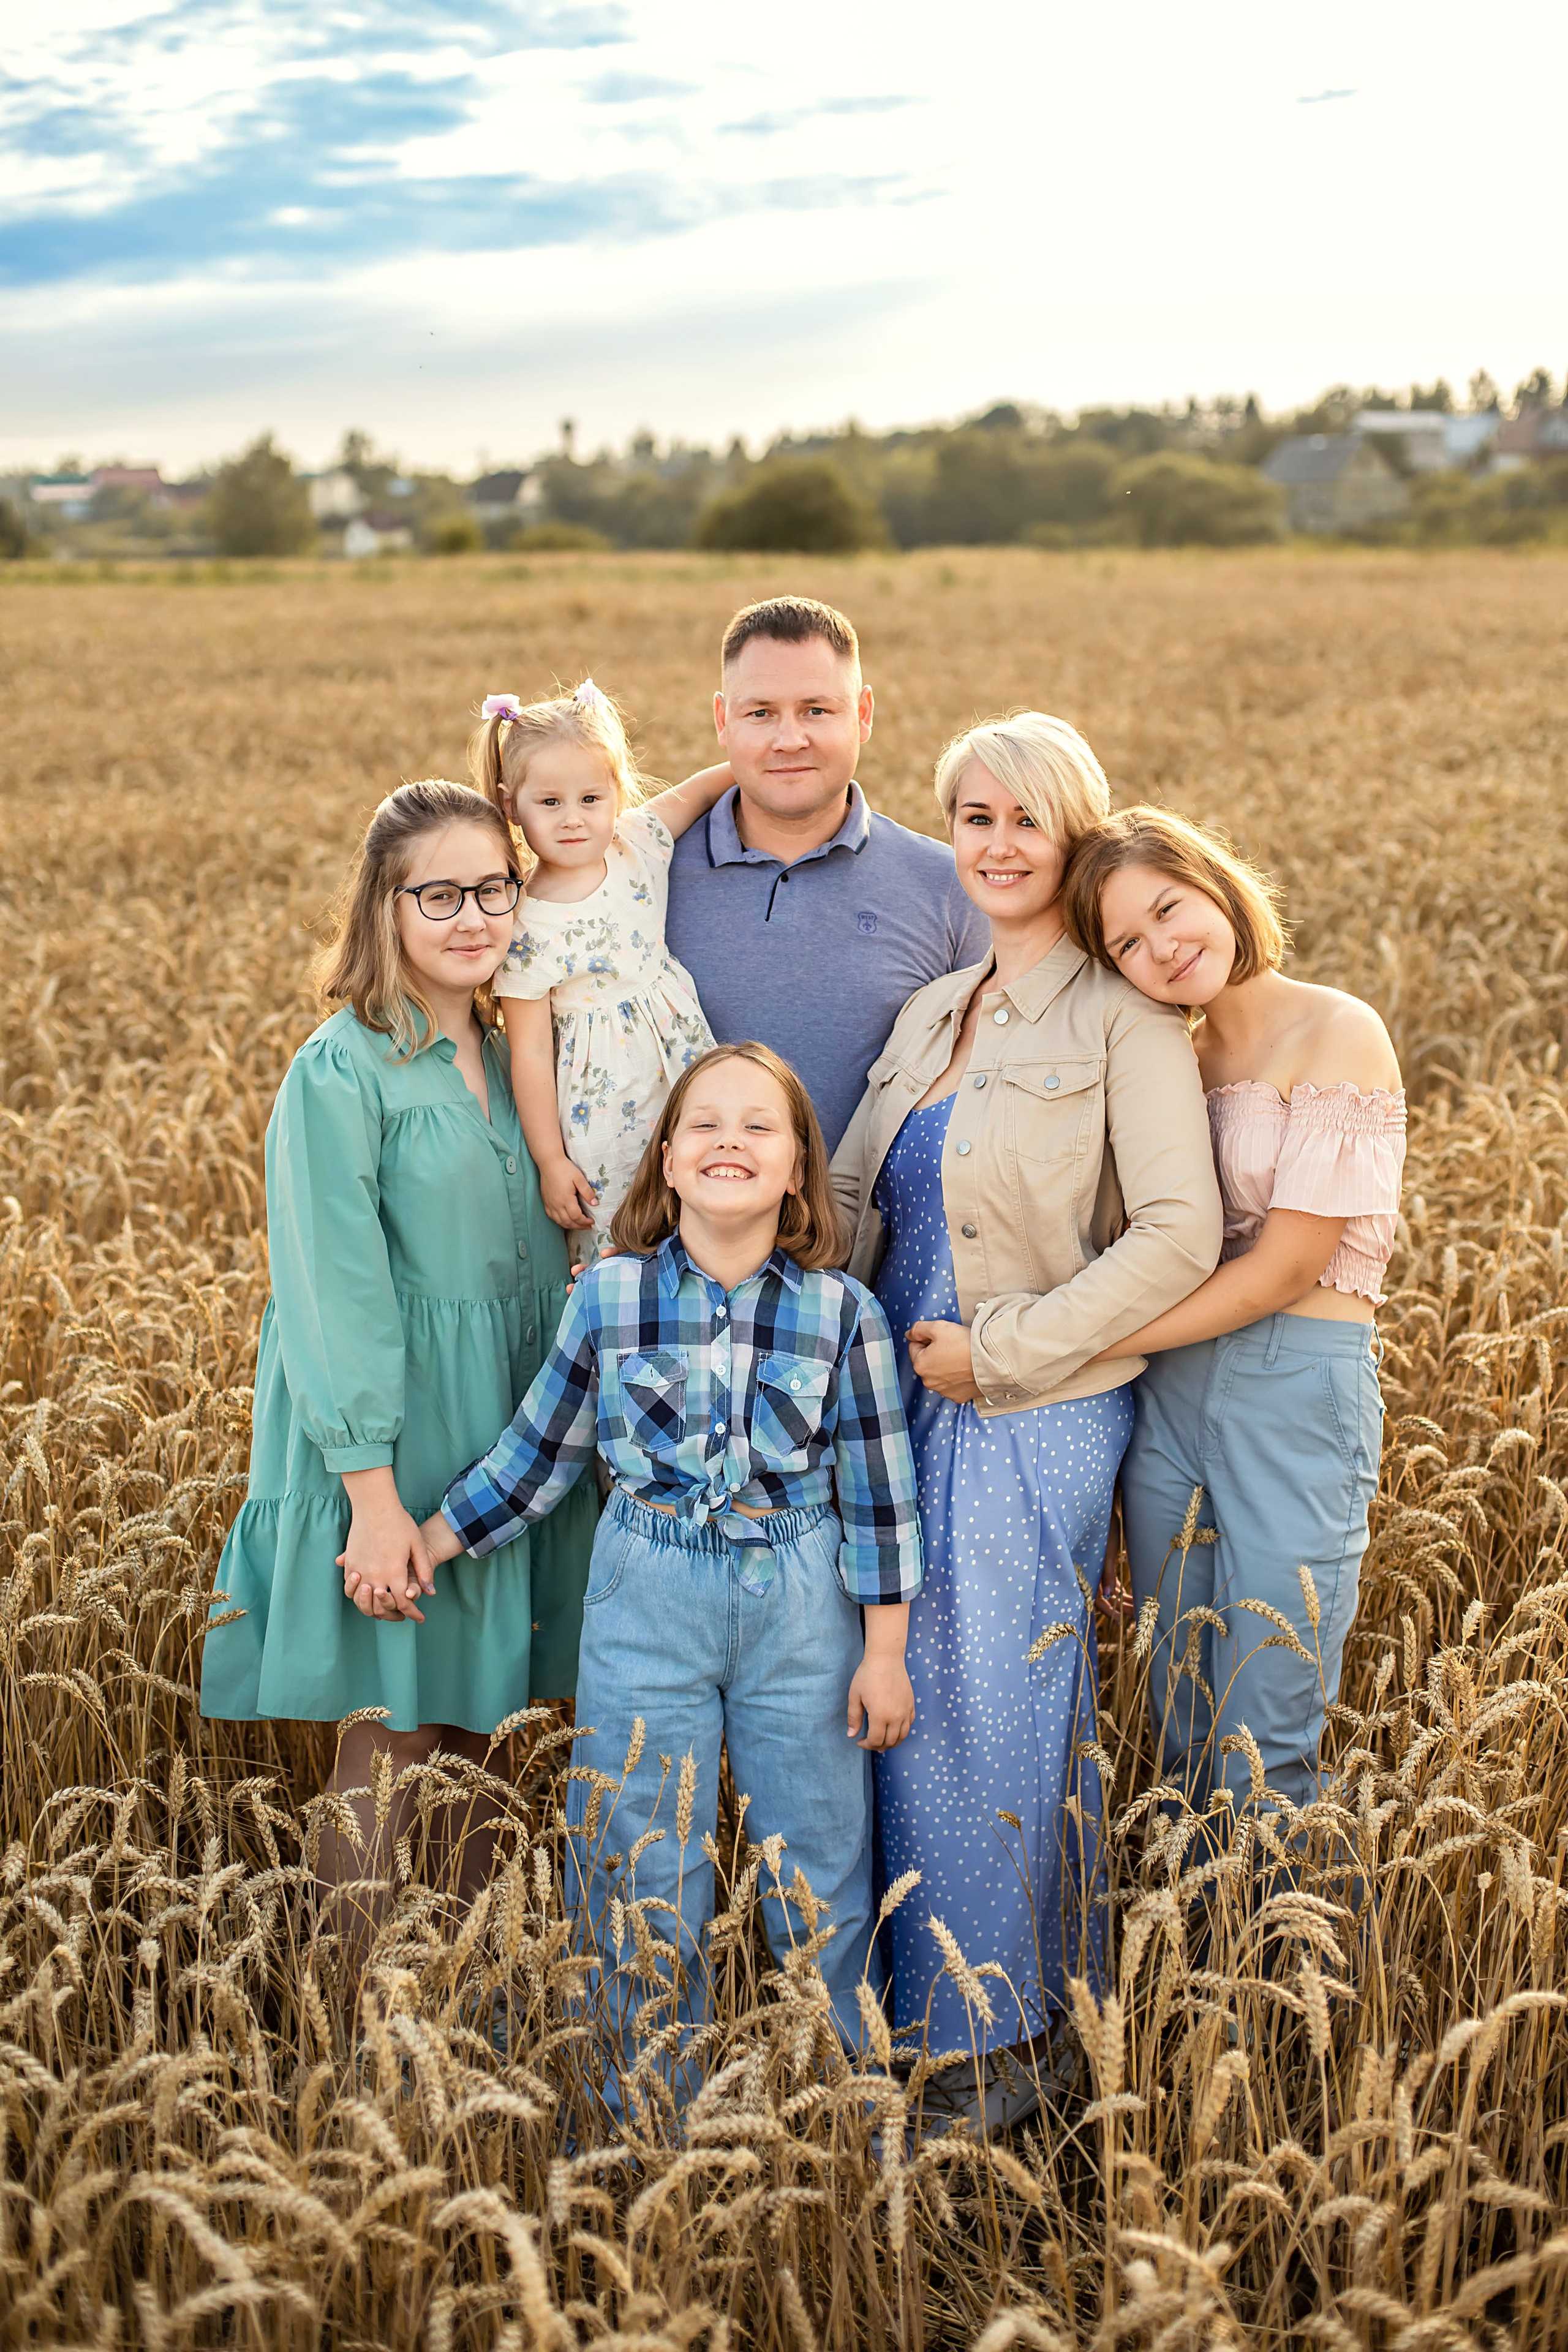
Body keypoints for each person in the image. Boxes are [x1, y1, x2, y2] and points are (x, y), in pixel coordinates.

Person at [831, 715, 1223, 2130]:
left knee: (985, 1714)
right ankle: (898, 2032)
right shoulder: (931, 1012)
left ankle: (998, 2059)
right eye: (971, 815)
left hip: (1029, 1408)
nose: (995, 843)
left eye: (1024, 819)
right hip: (889, 1405)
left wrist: (1000, 1351)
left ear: (1074, 839)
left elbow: (1179, 1232)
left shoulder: (1123, 1022)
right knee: (878, 1706)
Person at [415, 1042, 923, 2085]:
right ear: (666, 1162)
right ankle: (636, 2112)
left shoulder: (844, 1315)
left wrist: (885, 1655)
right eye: (704, 1124)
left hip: (803, 1604)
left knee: (818, 1863)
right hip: (645, 1589)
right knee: (636, 1859)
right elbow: (540, 1454)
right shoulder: (609, 1295)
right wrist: (429, 1536)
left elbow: (880, 1500)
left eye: (758, 1127)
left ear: (796, 1173)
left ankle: (843, 2110)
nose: (728, 1141)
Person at [202, 780, 597, 1921]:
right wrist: (373, 1501)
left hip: (514, 1434)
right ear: (385, 905)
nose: (473, 916)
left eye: (495, 887)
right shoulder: (345, 1068)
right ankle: (355, 2032)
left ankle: (462, 2016)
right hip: (399, 1437)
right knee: (395, 1739)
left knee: (494, 1732)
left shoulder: (524, 1045)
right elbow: (332, 1295)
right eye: (440, 894)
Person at [1061, 805, 1403, 1826]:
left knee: (1270, 1720)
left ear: (1215, 884)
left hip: (1294, 1385)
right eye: (1125, 941)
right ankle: (1188, 1970)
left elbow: (1291, 1265)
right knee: (1181, 1709)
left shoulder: (1336, 1028)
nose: (1161, 948)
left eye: (1168, 908)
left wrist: (1082, 1342)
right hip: (1170, 1390)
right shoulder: (1167, 1055)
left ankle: (1270, 1983)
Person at [665, 597, 990, 1153]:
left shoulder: (954, 887)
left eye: (816, 710)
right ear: (723, 720)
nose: (789, 739)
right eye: (760, 712)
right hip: (681, 1235)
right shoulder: (646, 878)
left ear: (863, 714)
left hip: (876, 1240)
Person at [471, 678, 733, 1256]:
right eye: (549, 803)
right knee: (621, 1227)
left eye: (591, 799)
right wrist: (550, 1160)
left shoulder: (638, 843)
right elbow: (531, 1053)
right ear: (511, 804)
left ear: (617, 792)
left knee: (707, 1187)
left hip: (683, 1058)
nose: (573, 819)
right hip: (602, 1098)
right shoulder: (523, 925)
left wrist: (752, 766)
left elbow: (699, 790)